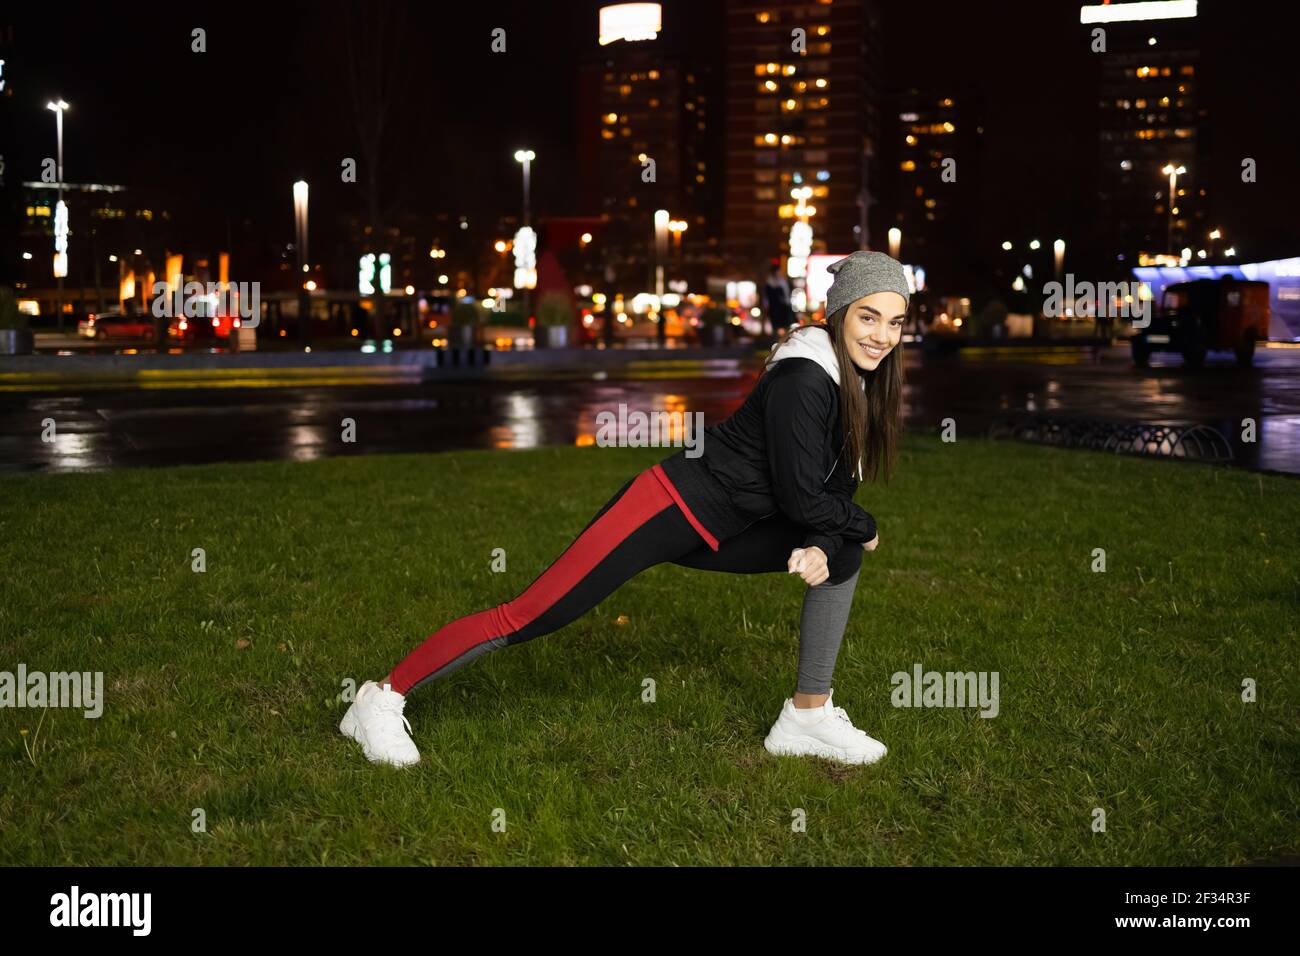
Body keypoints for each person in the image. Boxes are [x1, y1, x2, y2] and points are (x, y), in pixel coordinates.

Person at [340, 251, 910, 768]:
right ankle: (380, 698)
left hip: (731, 523)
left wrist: (827, 543)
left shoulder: (856, 384)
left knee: (844, 558)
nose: (882, 335)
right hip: (668, 507)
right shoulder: (804, 376)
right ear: (839, 314)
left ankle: (806, 716)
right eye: (868, 317)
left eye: (894, 322)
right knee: (532, 614)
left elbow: (831, 495)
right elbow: (805, 498)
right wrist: (858, 528)